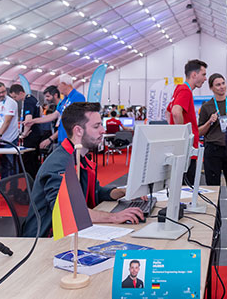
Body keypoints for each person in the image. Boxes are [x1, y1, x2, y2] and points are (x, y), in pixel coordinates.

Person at [22, 102, 144, 237]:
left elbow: (96, 192)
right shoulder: (60, 164)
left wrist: (123, 192)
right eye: (96, 126)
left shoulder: (80, 157)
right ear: (78, 131)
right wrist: (114, 217)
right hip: (47, 239)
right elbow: (67, 212)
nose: (103, 130)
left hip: (72, 232)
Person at [197, 73, 227, 235]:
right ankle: (215, 228)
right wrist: (209, 122)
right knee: (213, 191)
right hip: (213, 151)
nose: (222, 87)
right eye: (218, 84)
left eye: (223, 83)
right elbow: (199, 132)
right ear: (211, 87)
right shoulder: (207, 107)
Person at [165, 59, 208, 185]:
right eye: (203, 74)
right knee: (187, 188)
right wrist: (183, 137)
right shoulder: (185, 90)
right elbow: (175, 112)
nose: (205, 78)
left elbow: (168, 112)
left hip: (182, 150)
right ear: (194, 75)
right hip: (187, 151)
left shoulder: (179, 89)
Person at [25, 75, 85, 150]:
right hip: (62, 138)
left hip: (71, 140)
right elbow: (54, 115)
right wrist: (33, 121)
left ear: (64, 84)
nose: (57, 88)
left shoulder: (78, 97)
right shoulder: (65, 100)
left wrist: (51, 139)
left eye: (58, 85)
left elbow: (76, 120)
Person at [10, 84, 43, 181]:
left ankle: (29, 183)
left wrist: (24, 133)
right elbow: (40, 111)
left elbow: (28, 120)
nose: (14, 99)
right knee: (34, 161)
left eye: (15, 97)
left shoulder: (27, 101)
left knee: (28, 162)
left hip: (31, 134)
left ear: (21, 93)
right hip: (36, 132)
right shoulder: (32, 98)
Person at [0, 81, 19, 178]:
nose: (1, 94)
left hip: (10, 138)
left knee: (11, 164)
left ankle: (14, 184)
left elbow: (7, 121)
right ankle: (4, 185)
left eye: (3, 92)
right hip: (0, 138)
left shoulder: (11, 103)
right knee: (3, 165)